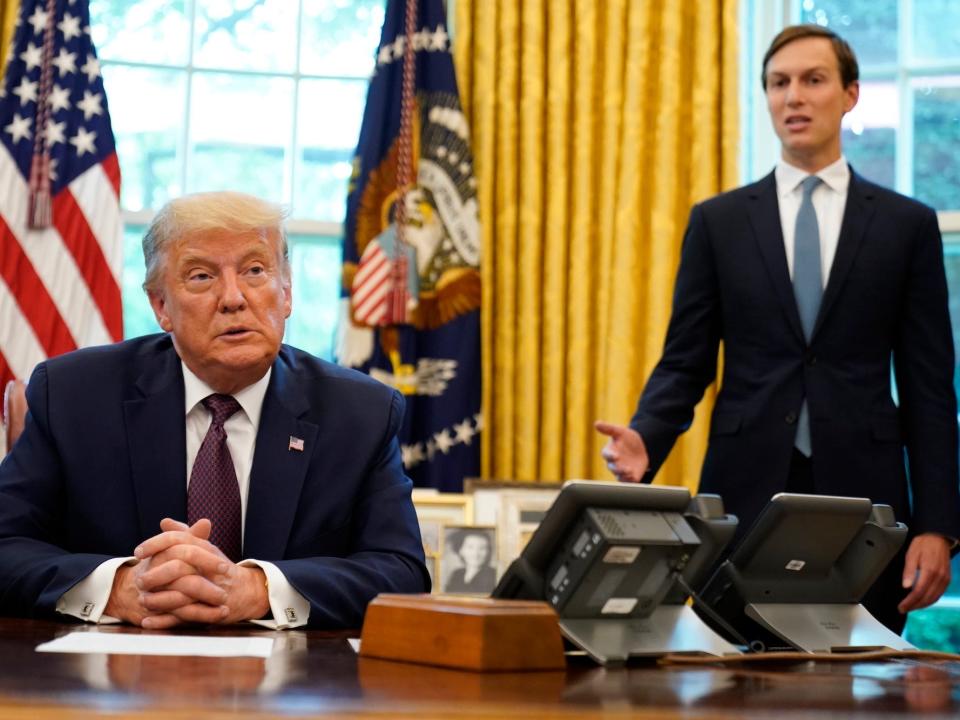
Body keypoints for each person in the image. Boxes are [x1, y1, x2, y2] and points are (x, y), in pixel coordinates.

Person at [596, 24, 960, 633]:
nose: (793, 96)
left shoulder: (907, 225)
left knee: (862, 692)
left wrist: (937, 526)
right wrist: (647, 437)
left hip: (866, 503)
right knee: (734, 686)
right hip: (744, 494)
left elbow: (929, 388)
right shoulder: (719, 222)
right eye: (778, 83)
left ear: (849, 95)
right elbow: (686, 361)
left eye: (813, 80)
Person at [0, 191, 429, 630]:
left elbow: (401, 573)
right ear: (161, 306)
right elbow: (6, 544)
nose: (233, 298)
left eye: (255, 271)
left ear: (286, 293)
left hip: (291, 683)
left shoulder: (359, 413)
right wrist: (117, 587)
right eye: (202, 276)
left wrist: (258, 589)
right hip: (111, 680)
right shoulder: (75, 396)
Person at [443, 529, 496, 594]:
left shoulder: (493, 575)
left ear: (488, 551)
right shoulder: (457, 574)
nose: (476, 554)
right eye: (470, 547)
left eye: (482, 548)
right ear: (460, 550)